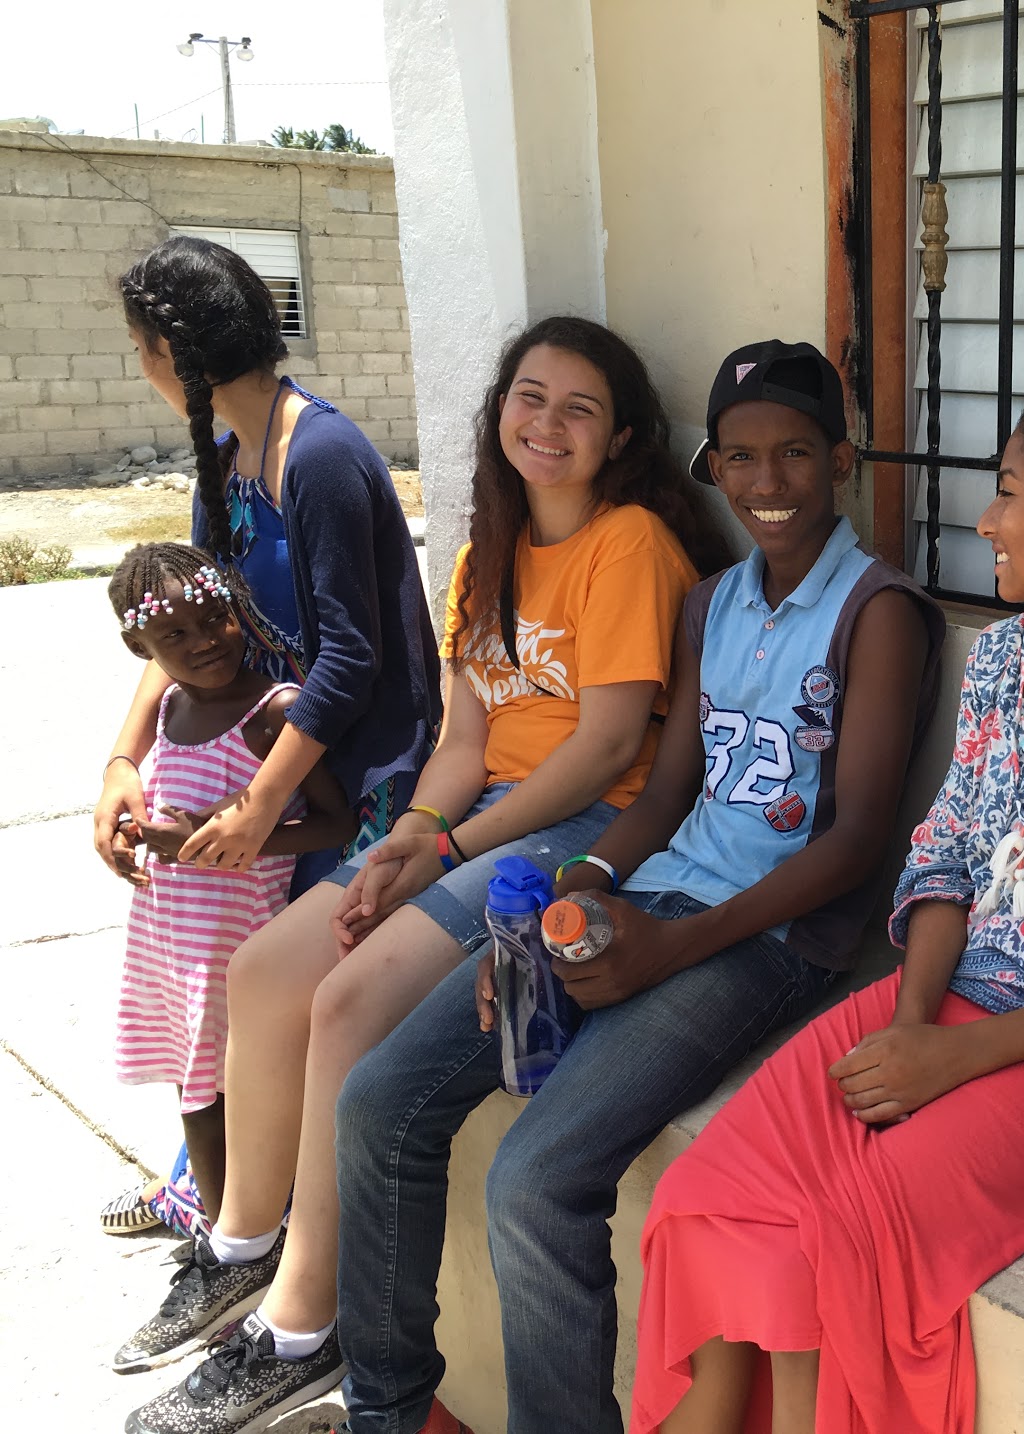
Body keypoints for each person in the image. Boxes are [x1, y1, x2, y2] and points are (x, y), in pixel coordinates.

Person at [631, 374, 1024, 1433]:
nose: (986, 519)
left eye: (1009, 490)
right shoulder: (1003, 659)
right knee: (714, 1193)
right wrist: (912, 1022)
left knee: (844, 1231)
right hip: (953, 996)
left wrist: (956, 1058)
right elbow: (942, 856)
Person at [119, 317, 732, 1434]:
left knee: (346, 1000)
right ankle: (242, 1250)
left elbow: (606, 748)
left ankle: (306, 1323)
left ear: (621, 437)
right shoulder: (483, 553)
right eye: (530, 397)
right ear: (498, 412)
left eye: (580, 409)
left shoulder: (630, 544)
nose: (547, 424)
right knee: (266, 972)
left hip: (585, 827)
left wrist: (450, 850)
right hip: (482, 815)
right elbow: (465, 739)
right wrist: (415, 832)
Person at [331, 339, 944, 1434]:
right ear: (713, 466)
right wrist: (567, 895)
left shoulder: (878, 609)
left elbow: (856, 844)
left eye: (795, 454)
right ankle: (387, 1413)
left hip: (768, 941)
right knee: (380, 1102)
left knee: (536, 1180)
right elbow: (663, 795)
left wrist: (667, 947)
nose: (766, 482)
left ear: (841, 462)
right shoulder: (711, 604)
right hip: (652, 896)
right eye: (740, 457)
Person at [96, 234, 442, 1237]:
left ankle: (250, 1221)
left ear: (169, 352)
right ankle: (211, 1181)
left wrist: (256, 807)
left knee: (269, 976)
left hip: (361, 781)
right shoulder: (225, 462)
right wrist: (124, 762)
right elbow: (186, 623)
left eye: (140, 346)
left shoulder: (320, 456)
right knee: (197, 946)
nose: (141, 365)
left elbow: (351, 662)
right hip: (278, 763)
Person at [104, 543, 355, 1234]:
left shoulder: (275, 712)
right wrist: (136, 835)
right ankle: (215, 1222)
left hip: (231, 945)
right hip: (167, 943)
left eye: (216, 617)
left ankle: (230, 1242)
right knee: (192, 1085)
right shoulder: (164, 712)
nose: (205, 641)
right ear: (140, 648)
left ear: (238, 610)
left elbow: (335, 821)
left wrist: (221, 839)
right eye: (175, 634)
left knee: (216, 1097)